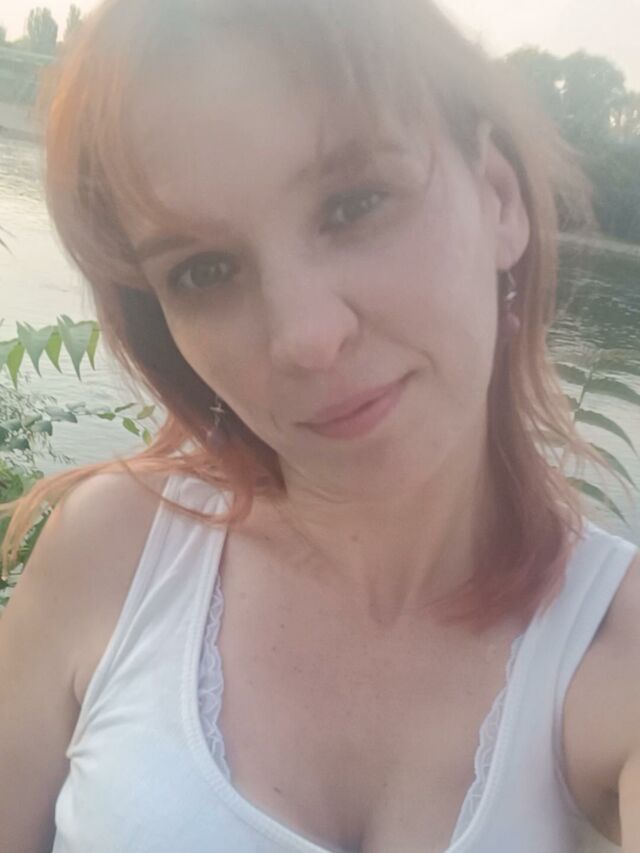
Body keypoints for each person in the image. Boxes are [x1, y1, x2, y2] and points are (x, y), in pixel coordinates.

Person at [1, 0, 639, 851]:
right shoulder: (110, 552)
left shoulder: (614, 648)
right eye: (205, 270)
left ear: (499, 198)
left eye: (356, 203)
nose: (305, 337)